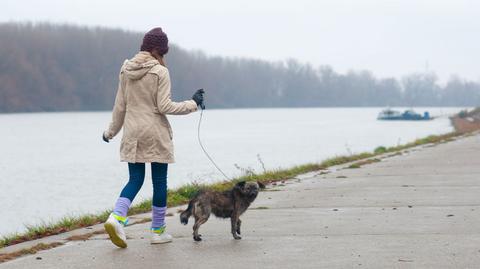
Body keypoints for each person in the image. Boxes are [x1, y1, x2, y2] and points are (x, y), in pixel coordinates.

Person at [102, 27, 204, 248]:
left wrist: (110, 132)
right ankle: (158, 232)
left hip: (132, 132)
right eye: (164, 52)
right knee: (159, 182)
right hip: (154, 133)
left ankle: (116, 217)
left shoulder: (125, 69)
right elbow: (164, 106)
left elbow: (120, 106)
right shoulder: (160, 72)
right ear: (158, 50)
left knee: (135, 179)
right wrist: (193, 104)